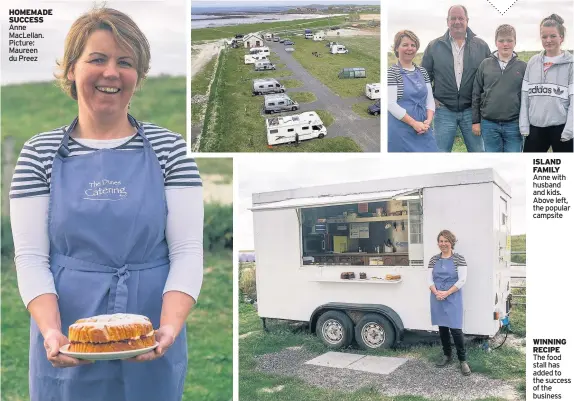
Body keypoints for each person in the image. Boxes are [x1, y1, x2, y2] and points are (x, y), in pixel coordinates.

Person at [9, 7, 203, 401]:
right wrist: (51, 331)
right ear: (70, 70)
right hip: (67, 326)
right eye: (97, 59)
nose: (111, 72)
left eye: (125, 62)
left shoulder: (170, 150)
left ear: (138, 76)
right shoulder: (38, 153)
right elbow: (30, 257)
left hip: (152, 326)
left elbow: (186, 250)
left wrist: (169, 325)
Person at [422, 5, 490, 152]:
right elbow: (424, 76)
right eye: (453, 18)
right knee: (440, 154)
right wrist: (431, 98)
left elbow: (489, 77)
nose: (457, 21)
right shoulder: (434, 46)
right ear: (447, 21)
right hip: (444, 111)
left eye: (461, 18)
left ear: (467, 20)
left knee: (479, 154)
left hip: (472, 112)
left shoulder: (481, 46)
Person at [519, 14, 573, 152]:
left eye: (553, 36)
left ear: (561, 37)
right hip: (535, 128)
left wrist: (569, 130)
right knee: (530, 169)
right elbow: (525, 96)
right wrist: (524, 124)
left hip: (561, 128)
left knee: (564, 171)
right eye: (544, 37)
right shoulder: (533, 62)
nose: (548, 40)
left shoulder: (571, 64)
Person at [472, 24, 527, 152]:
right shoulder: (485, 64)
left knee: (513, 163)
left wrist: (526, 123)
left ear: (515, 42)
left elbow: (527, 98)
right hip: (488, 124)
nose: (505, 44)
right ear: (496, 42)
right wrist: (476, 121)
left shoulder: (523, 67)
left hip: (514, 124)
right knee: (493, 162)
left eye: (509, 40)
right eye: (501, 41)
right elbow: (476, 93)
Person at [428, 230, 470, 376]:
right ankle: (447, 355)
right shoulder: (433, 260)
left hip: (453, 296)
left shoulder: (459, 259)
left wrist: (446, 293)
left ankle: (463, 360)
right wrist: (436, 292)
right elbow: (429, 280)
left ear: (452, 243)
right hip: (437, 296)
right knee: (443, 328)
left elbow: (462, 280)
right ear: (438, 243)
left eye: (446, 241)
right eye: (441, 241)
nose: (443, 244)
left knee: (456, 329)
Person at [388, 30, 439, 152]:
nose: (409, 48)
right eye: (405, 45)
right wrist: (414, 123)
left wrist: (428, 121)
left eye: (413, 45)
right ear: (396, 48)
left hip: (423, 128)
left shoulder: (422, 72)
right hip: (401, 130)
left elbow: (430, 100)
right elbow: (390, 104)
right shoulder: (392, 72)